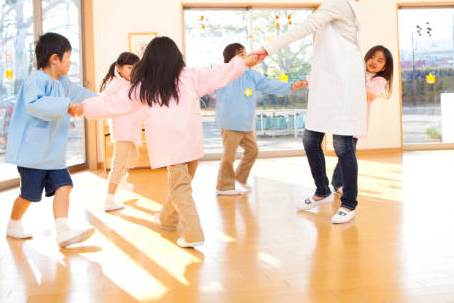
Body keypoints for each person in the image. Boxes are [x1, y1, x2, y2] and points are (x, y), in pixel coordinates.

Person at [82, 36, 259, 247]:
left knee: (179, 188)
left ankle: (193, 234)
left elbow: (114, 104)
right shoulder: (190, 78)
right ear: (176, 58)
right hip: (191, 145)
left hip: (172, 149)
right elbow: (219, 73)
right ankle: (167, 219)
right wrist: (242, 62)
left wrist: (83, 108)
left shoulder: (144, 87)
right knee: (181, 186)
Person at [252, 0, 368, 224]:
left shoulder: (338, 0)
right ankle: (322, 191)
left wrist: (266, 49)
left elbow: (304, 27)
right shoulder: (332, 2)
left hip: (344, 86)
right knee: (310, 139)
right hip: (328, 85)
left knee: (342, 146)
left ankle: (349, 203)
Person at [5, 32, 96, 247]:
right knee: (29, 195)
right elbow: (35, 104)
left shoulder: (64, 83)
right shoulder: (35, 80)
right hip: (33, 155)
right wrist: (66, 106)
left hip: (53, 154)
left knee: (65, 185)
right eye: (68, 57)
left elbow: (82, 94)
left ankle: (63, 230)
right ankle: (13, 223)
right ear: (55, 59)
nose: (70, 62)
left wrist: (106, 102)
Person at [215, 42, 307, 195]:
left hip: (246, 124)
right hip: (230, 124)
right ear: (232, 59)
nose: (247, 57)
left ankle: (240, 177)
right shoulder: (224, 72)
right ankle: (223, 186)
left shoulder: (251, 74)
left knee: (253, 151)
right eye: (242, 55)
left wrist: (291, 86)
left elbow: (269, 84)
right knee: (228, 157)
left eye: (246, 54)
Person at [332, 45, 394, 194]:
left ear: (384, 67)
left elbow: (371, 93)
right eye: (372, 57)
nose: (374, 61)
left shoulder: (378, 80)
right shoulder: (355, 72)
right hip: (343, 119)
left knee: (348, 154)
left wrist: (357, 76)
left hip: (356, 123)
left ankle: (339, 183)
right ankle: (338, 182)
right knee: (344, 153)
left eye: (379, 60)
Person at [99, 52, 141, 211]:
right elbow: (104, 99)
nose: (133, 71)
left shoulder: (132, 83)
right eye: (130, 67)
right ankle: (109, 198)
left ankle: (121, 180)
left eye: (135, 68)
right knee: (119, 162)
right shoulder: (117, 82)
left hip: (131, 129)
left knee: (133, 158)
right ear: (119, 68)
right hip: (123, 129)